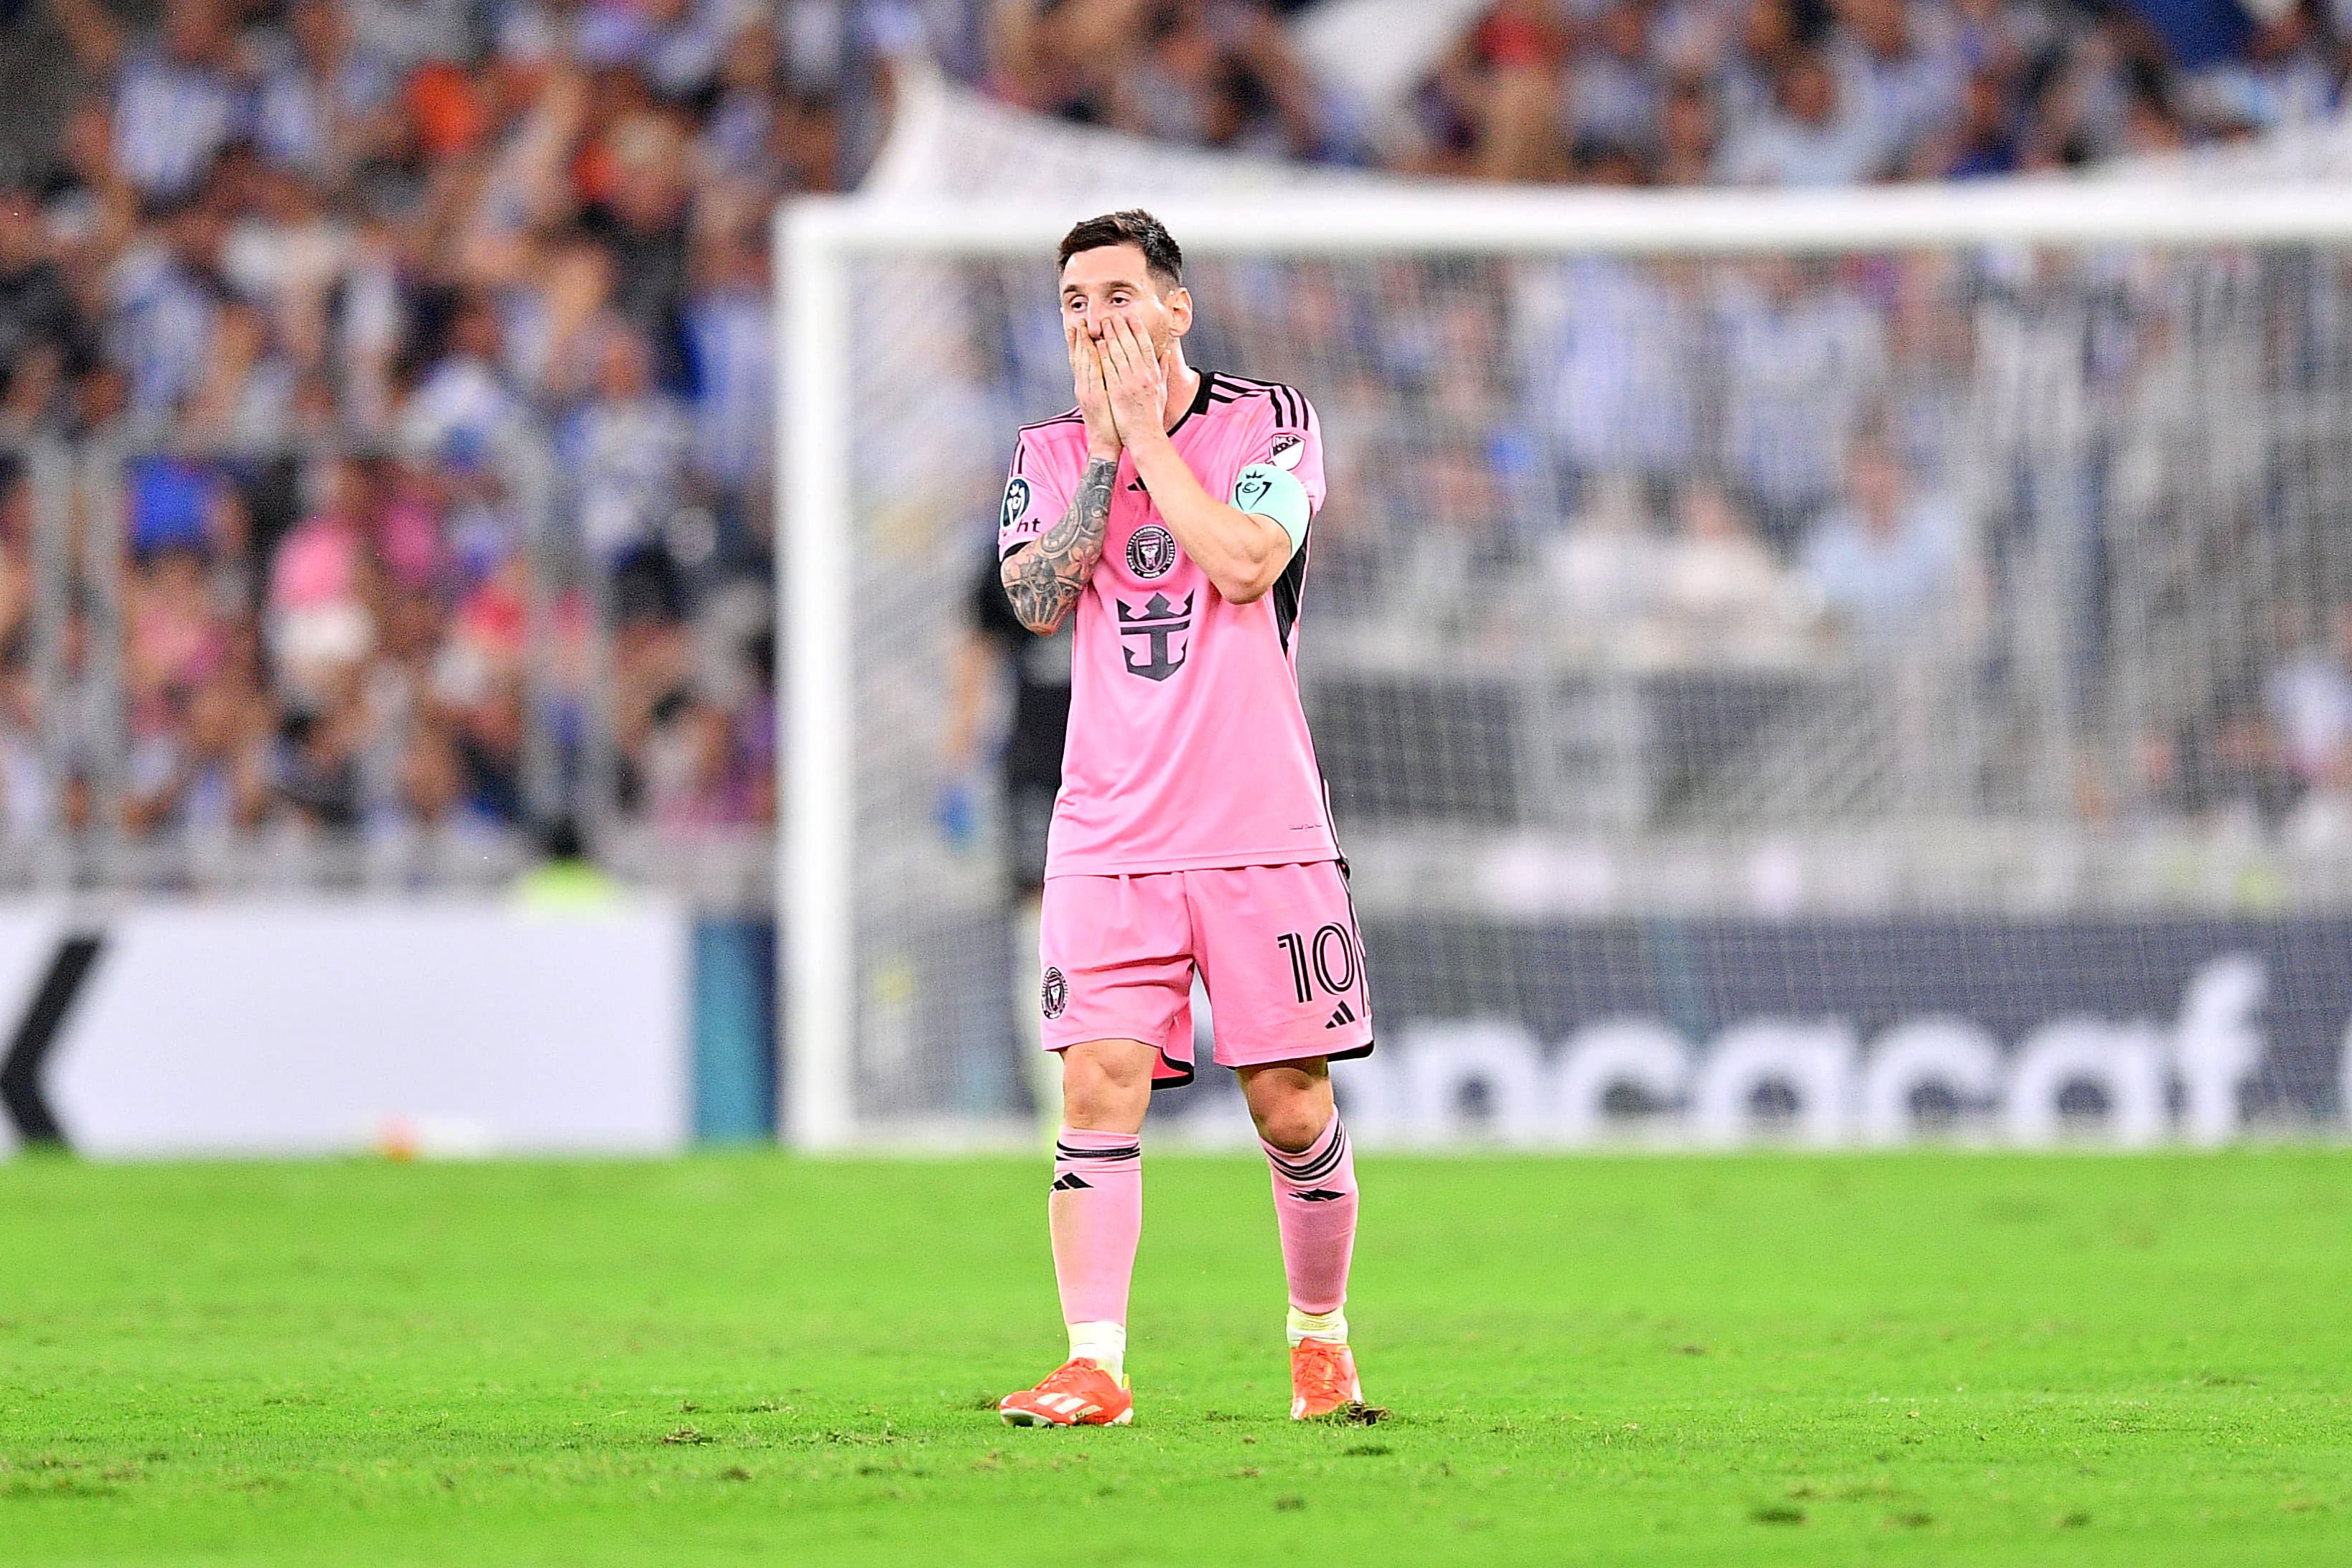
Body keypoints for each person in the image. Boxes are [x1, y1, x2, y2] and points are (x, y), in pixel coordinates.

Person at [991, 210, 1374, 1429]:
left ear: (1175, 308)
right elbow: (1035, 597)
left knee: (1292, 1103)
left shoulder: (1273, 421)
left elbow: (1245, 561)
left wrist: (1150, 439)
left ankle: (1319, 1338)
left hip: (1261, 824)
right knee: (1097, 1084)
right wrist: (1106, 457)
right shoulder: (1049, 449)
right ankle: (1093, 1360)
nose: (1093, 319)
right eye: (1072, 302)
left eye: (1114, 294)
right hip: (1109, 830)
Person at [941, 545, 1073, 1137]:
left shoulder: (1148, 520)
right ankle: (1058, 1103)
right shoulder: (1019, 540)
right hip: (1041, 769)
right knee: (1040, 936)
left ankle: (1134, 1091)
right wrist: (958, 762)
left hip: (1134, 767)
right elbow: (979, 648)